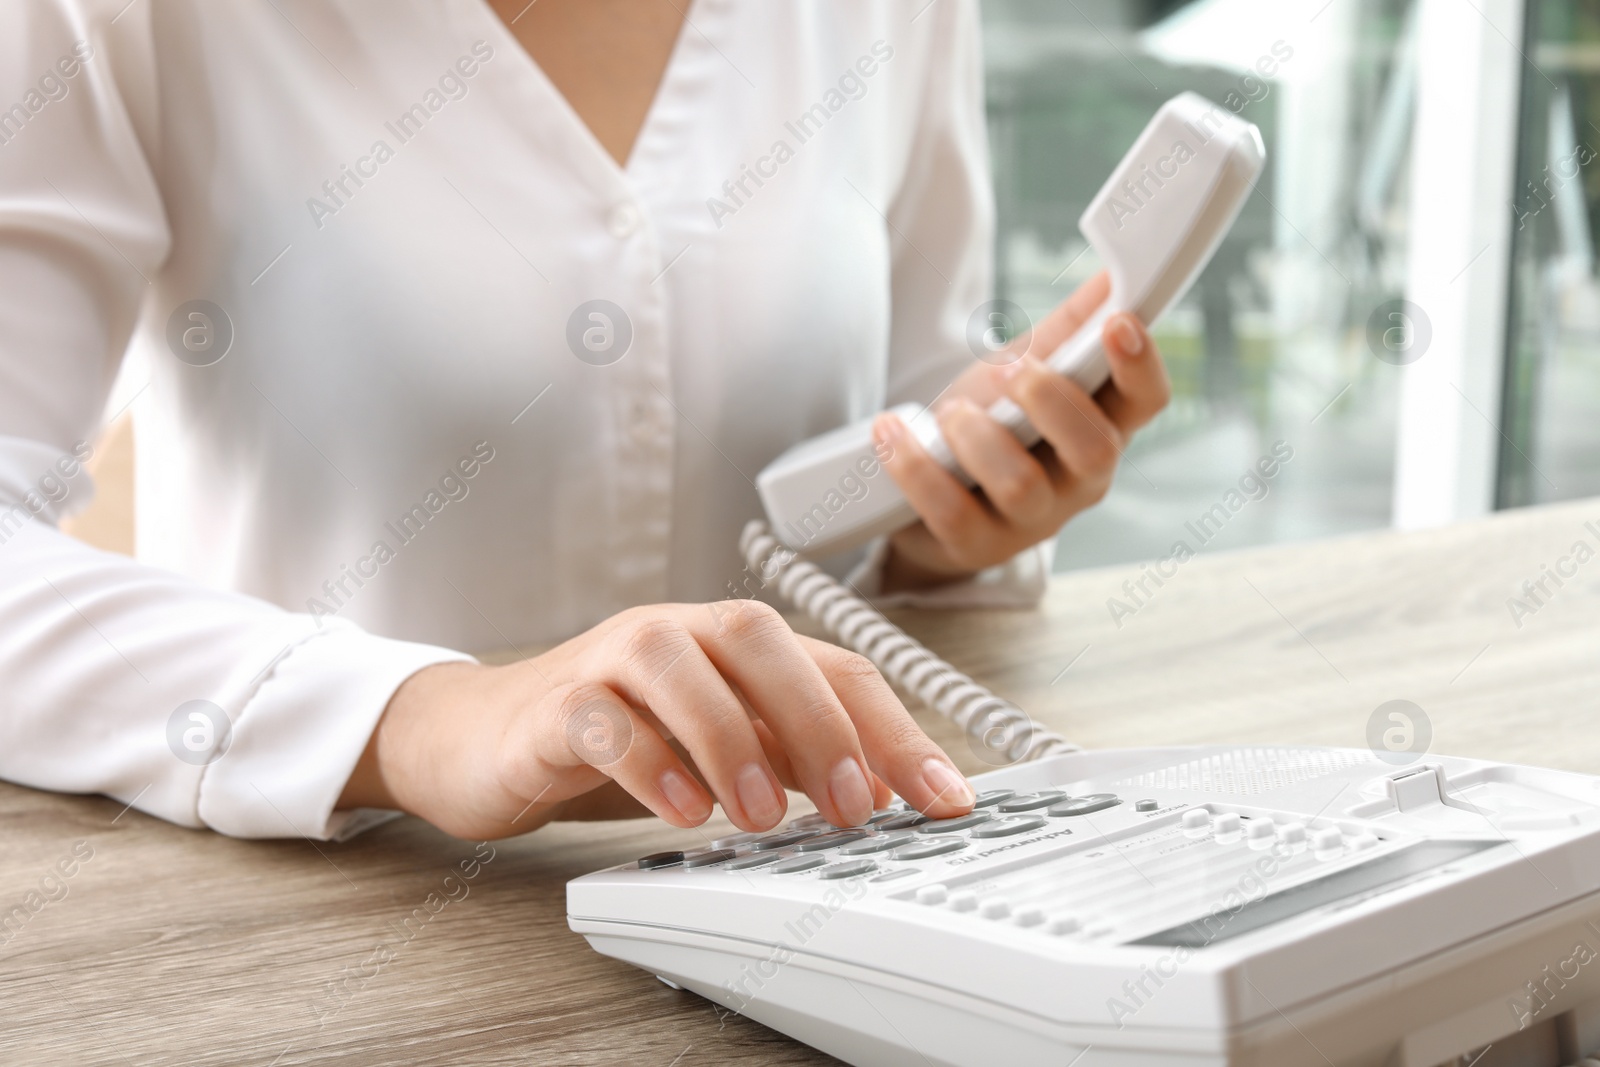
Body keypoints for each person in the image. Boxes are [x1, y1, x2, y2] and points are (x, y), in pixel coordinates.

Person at [0, 0, 1169, 843]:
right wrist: (419, 717)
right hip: (340, 920)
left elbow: (914, 391)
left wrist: (954, 517)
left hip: (825, 865)